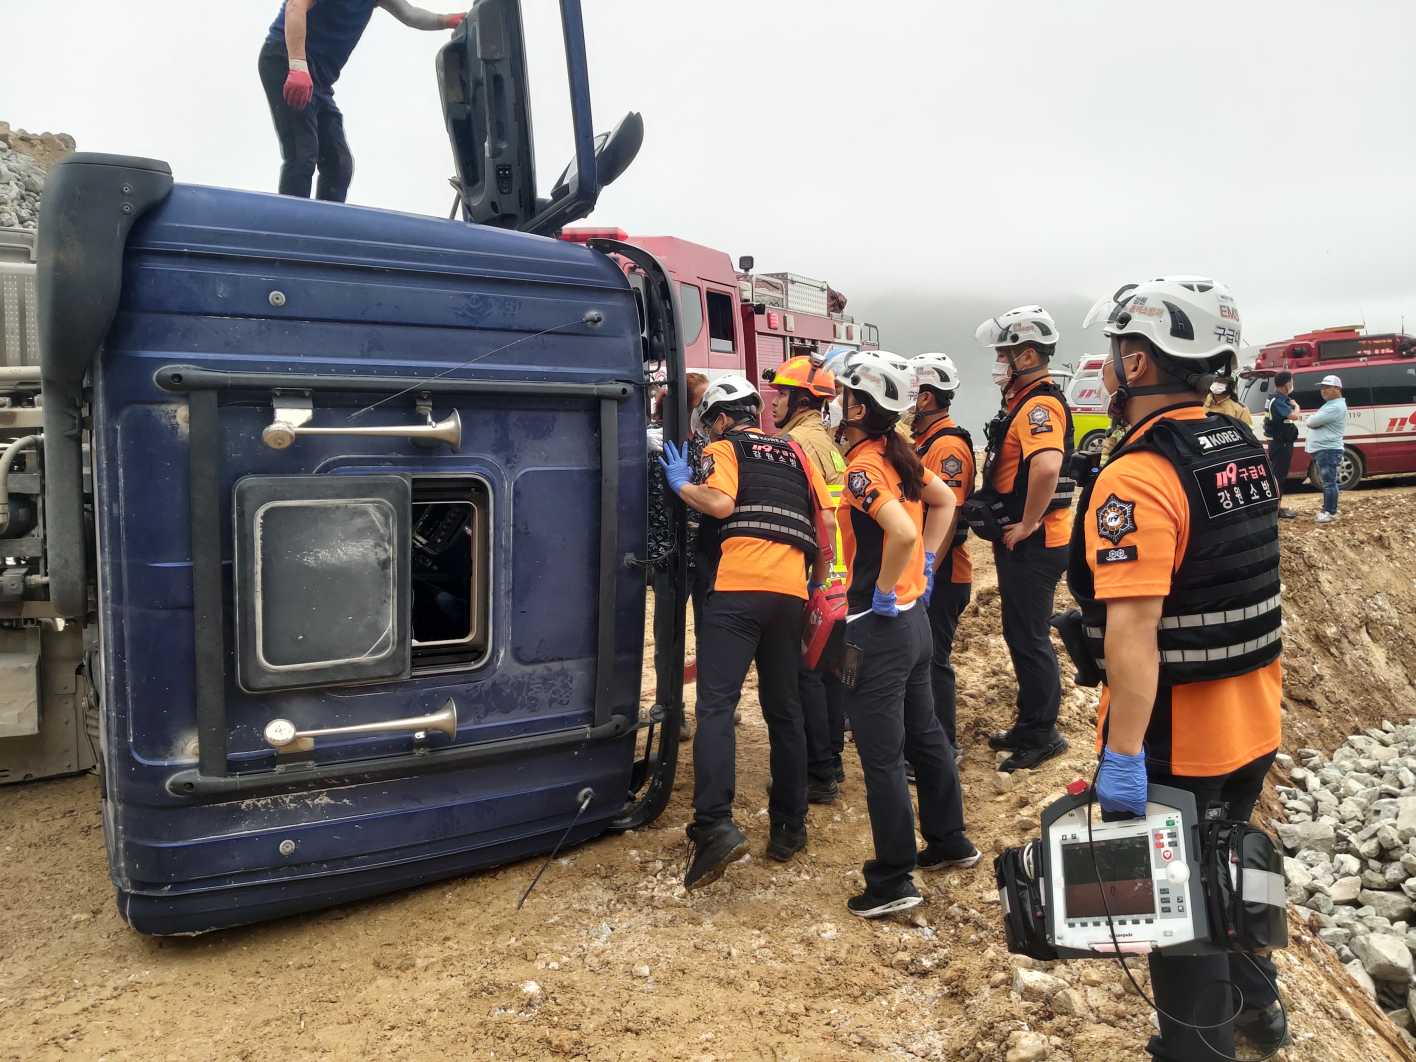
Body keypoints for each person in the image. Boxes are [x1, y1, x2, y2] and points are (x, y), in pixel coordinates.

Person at [1074, 276, 1285, 1060]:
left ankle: (1200, 1047)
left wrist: (1124, 755)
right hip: (1253, 715)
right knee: (1231, 867)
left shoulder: (1136, 476)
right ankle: (1260, 1009)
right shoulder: (1240, 446)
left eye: (1115, 351)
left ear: (1138, 362)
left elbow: (1134, 633)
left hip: (1179, 740)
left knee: (1181, 914)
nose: (1106, 365)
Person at [659, 374, 833, 889]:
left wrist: (681, 485)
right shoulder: (796, 453)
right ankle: (789, 827)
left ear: (719, 418)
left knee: (716, 706)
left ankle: (714, 825)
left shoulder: (725, 448)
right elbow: (824, 527)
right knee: (785, 711)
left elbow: (719, 505)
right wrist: (814, 587)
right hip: (790, 593)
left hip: (737, 591)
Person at [834, 351, 979, 918]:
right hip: (914, 620)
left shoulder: (865, 468)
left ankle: (893, 879)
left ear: (859, 408)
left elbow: (899, 531)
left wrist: (883, 589)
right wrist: (929, 563)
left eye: (845, 396)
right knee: (926, 735)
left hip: (880, 627)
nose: (838, 404)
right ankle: (949, 840)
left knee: (882, 756)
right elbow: (944, 501)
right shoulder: (903, 456)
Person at [969, 306, 1075, 771]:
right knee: (1020, 633)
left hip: (1037, 541)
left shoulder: (1038, 406)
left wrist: (1029, 522)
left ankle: (1042, 734)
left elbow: (1047, 467)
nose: (999, 362)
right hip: (1028, 540)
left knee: (1030, 637)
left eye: (1003, 353)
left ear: (1027, 355)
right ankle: (1029, 723)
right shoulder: (1024, 402)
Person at [260, 0, 465, 202]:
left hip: (319, 81)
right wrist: (297, 66)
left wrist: (447, 20)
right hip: (286, 60)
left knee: (339, 165)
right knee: (302, 154)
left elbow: (410, 14)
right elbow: (295, 6)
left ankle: (326, 221)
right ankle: (291, 219)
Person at [764, 356, 847, 800]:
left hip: (814, 573)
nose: (774, 402)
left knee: (805, 675)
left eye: (781, 394)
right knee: (828, 672)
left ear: (800, 400)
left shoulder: (795, 444)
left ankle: (819, 774)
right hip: (839, 575)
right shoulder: (827, 441)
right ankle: (832, 759)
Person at [908, 352, 974, 758]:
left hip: (945, 574)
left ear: (927, 398)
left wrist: (927, 568)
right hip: (927, 569)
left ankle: (943, 747)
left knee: (933, 661)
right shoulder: (923, 443)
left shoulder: (947, 446)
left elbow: (948, 513)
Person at [1305, 374, 1347, 525]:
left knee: (1329, 482)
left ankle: (1330, 512)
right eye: (1322, 387)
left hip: (1328, 450)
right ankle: (1328, 510)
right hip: (1325, 449)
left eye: (1327, 387)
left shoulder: (1335, 407)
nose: (1323, 390)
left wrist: (1312, 419)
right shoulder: (1331, 405)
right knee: (1328, 482)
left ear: (1337, 389)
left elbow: (1311, 422)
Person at [1263, 372, 1301, 519]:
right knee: (1278, 477)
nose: (1292, 385)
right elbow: (1294, 416)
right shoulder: (1278, 401)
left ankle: (1275, 507)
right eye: (1291, 382)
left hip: (1279, 442)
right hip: (1281, 444)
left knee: (1277, 476)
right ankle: (1275, 510)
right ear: (1287, 384)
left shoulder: (1275, 398)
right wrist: (1296, 406)